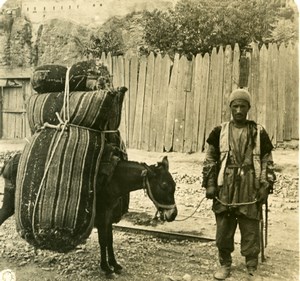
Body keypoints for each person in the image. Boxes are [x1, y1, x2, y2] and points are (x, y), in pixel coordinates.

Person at [202, 88, 275, 280]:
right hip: (225, 184)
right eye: (235, 106)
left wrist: (264, 185)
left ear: (249, 108)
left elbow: (267, 160)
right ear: (230, 108)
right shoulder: (219, 131)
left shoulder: (258, 132)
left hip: (249, 184)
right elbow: (210, 159)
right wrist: (210, 184)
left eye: (243, 106)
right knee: (224, 227)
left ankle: (251, 266)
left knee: (250, 226)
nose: (239, 110)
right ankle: (225, 264)